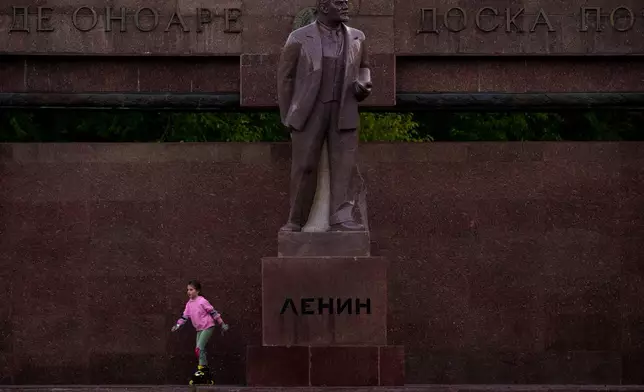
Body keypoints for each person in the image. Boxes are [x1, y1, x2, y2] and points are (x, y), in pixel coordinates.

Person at [276, 0, 372, 232]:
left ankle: (341, 217)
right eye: (340, 3)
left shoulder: (358, 37)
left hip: (344, 107)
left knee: (344, 165)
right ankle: (296, 219)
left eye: (347, 2)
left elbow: (364, 67)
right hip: (309, 111)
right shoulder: (299, 38)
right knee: (305, 165)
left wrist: (364, 82)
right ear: (323, 7)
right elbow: (285, 78)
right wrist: (289, 114)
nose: (346, 6)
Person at [171, 280, 229, 384]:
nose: (189, 292)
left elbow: (213, 312)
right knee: (198, 350)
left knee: (199, 348)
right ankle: (204, 372)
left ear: (197, 291)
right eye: (187, 290)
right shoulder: (189, 304)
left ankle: (203, 372)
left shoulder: (202, 301)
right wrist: (177, 325)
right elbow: (184, 317)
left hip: (208, 326)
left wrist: (222, 324)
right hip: (199, 329)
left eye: (191, 289)